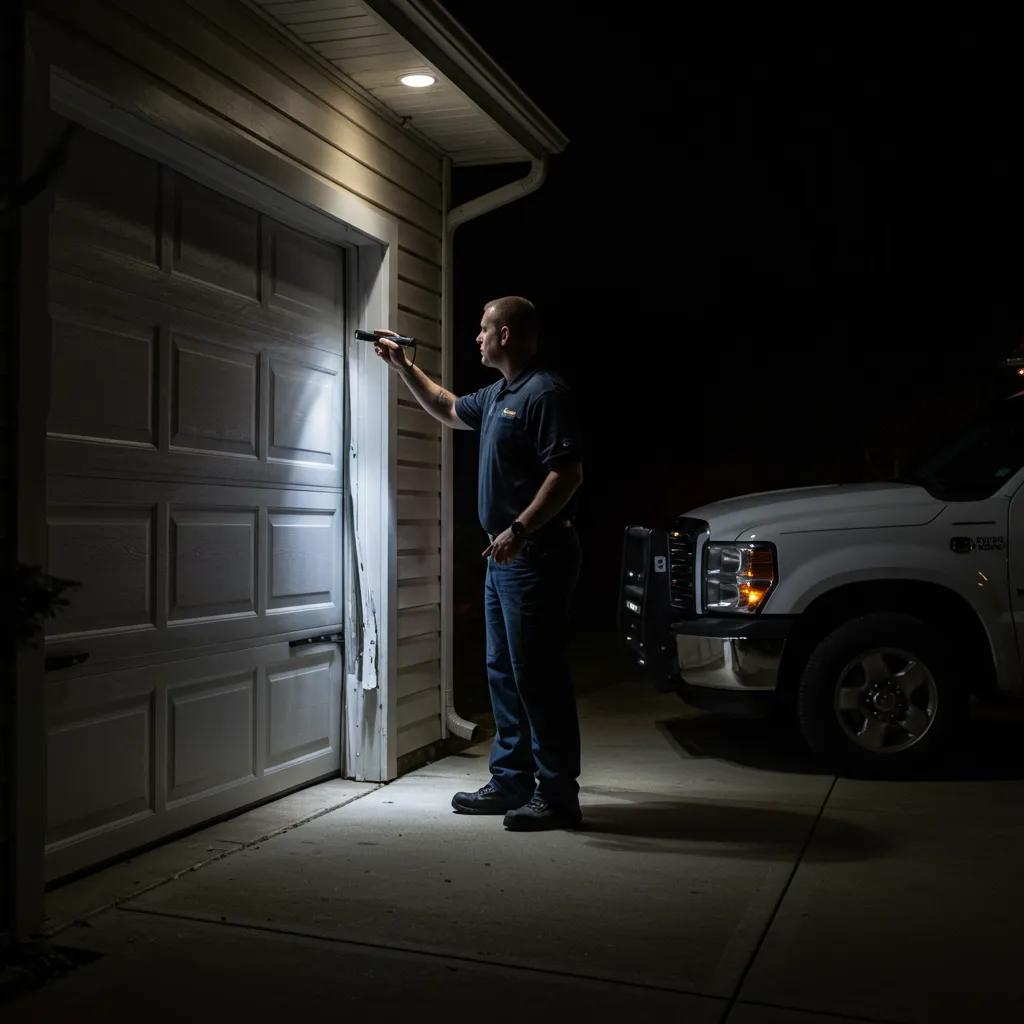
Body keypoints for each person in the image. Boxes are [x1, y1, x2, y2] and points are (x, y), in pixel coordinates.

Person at [373, 296, 584, 831]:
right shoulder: (498, 395)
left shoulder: (544, 393)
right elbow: (447, 407)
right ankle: (512, 781)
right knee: (504, 674)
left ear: (507, 334)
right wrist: (405, 366)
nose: (478, 337)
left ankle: (557, 795)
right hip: (504, 555)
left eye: (484, 328)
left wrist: (519, 529)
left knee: (539, 676)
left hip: (534, 553)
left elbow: (567, 475)